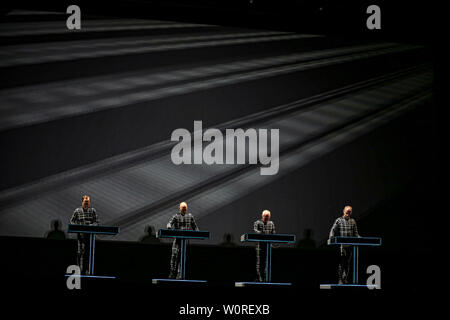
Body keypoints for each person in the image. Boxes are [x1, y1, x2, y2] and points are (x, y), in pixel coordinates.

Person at [166, 202, 199, 279]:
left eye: (185, 208)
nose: (184, 209)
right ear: (180, 208)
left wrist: (198, 232)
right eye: (182, 208)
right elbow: (169, 223)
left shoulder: (190, 217)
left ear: (186, 208)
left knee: (182, 258)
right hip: (177, 240)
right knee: (174, 257)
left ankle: (180, 274)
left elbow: (195, 227)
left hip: (185, 241)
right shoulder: (176, 216)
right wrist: (169, 227)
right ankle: (172, 273)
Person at [329, 205, 360, 284]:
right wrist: (331, 238)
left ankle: (344, 278)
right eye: (347, 212)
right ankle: (340, 279)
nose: (348, 214)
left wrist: (360, 238)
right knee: (342, 262)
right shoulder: (339, 220)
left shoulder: (353, 221)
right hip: (341, 245)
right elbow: (333, 229)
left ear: (351, 213)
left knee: (347, 263)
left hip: (349, 245)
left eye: (349, 212)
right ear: (344, 211)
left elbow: (356, 233)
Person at [70, 195, 99, 275]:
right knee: (80, 253)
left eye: (88, 202)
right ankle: (79, 270)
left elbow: (97, 222)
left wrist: (91, 226)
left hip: (90, 236)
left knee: (89, 253)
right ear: (82, 202)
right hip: (80, 236)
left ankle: (87, 270)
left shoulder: (92, 211)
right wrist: (77, 227)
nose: (87, 203)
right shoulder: (77, 210)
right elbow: (72, 221)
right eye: (85, 202)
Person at [253, 209, 275, 282]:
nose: (267, 218)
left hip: (268, 246)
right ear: (262, 216)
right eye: (265, 216)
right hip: (260, 246)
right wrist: (262, 233)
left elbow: (274, 233)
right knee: (259, 262)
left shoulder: (271, 223)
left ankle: (266, 278)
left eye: (268, 217)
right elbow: (256, 231)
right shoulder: (257, 222)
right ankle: (260, 278)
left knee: (267, 262)